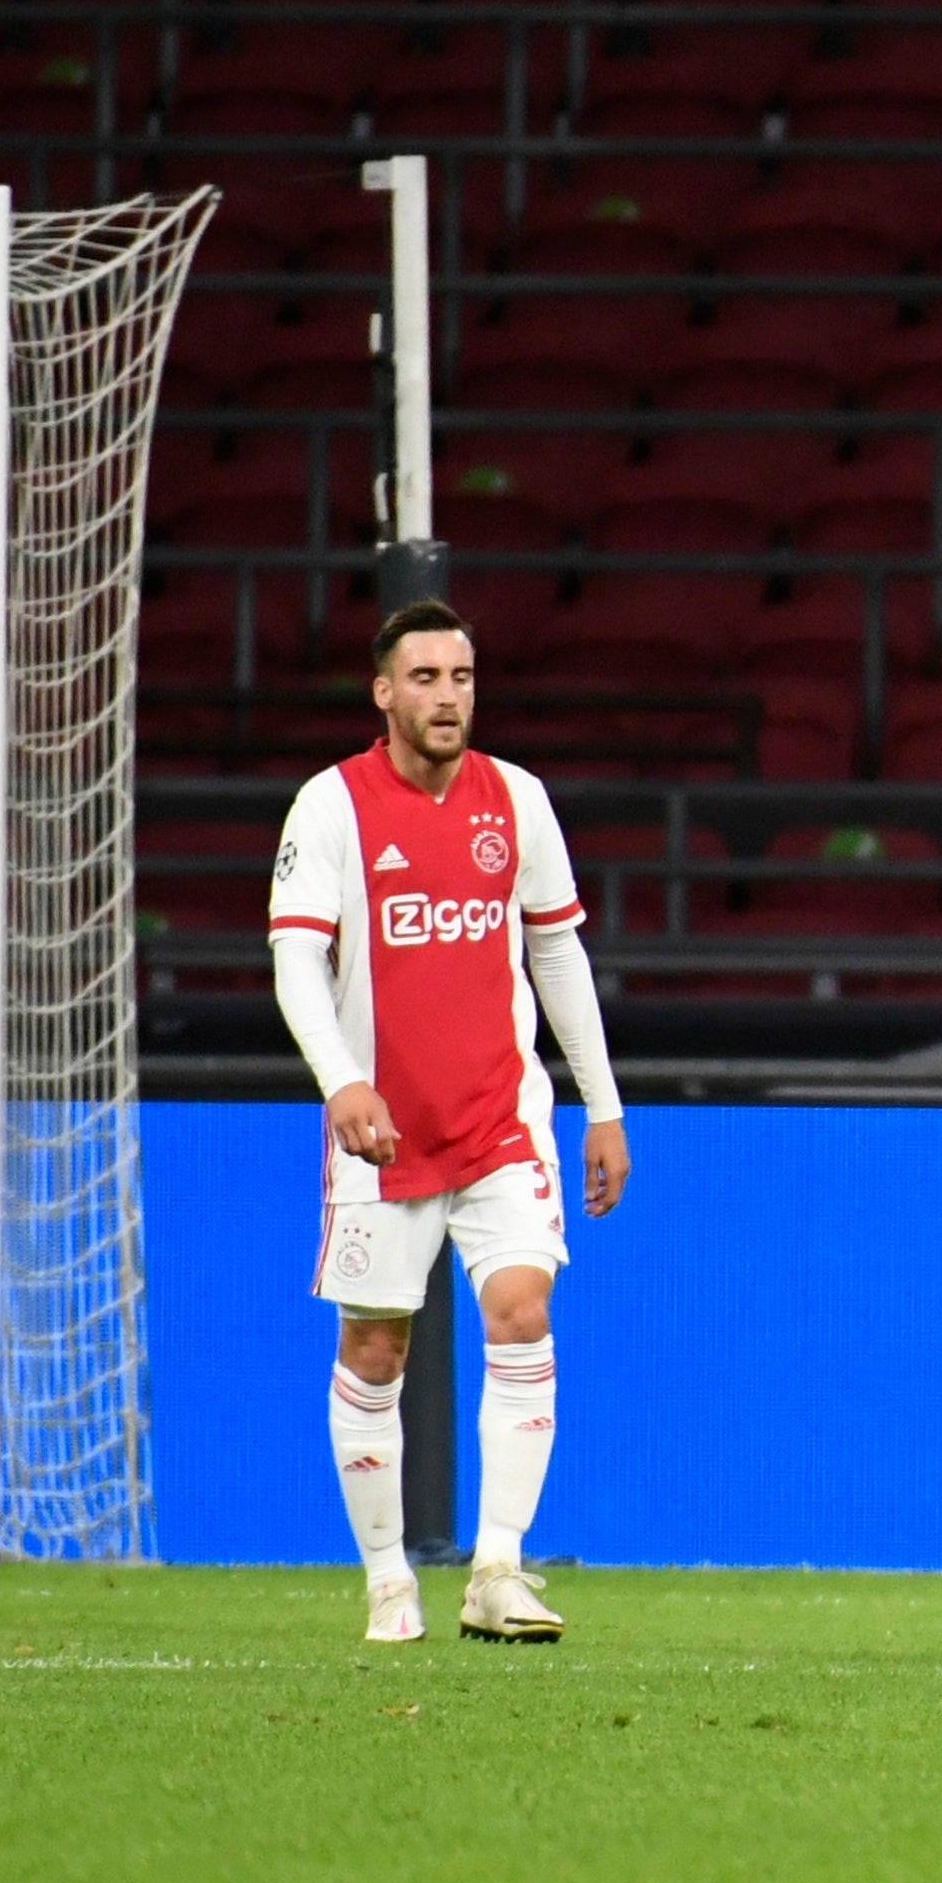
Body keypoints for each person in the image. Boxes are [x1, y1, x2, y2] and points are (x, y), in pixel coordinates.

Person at [272, 601, 627, 1647]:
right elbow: (297, 957)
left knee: (521, 1308)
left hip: (501, 1121)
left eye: (462, 676)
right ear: (384, 691)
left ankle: (498, 1568)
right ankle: (388, 1578)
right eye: (424, 676)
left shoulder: (517, 799)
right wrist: (341, 1078)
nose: (447, 694)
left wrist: (600, 1103)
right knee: (377, 1346)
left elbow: (556, 954)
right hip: (382, 1135)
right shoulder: (331, 804)